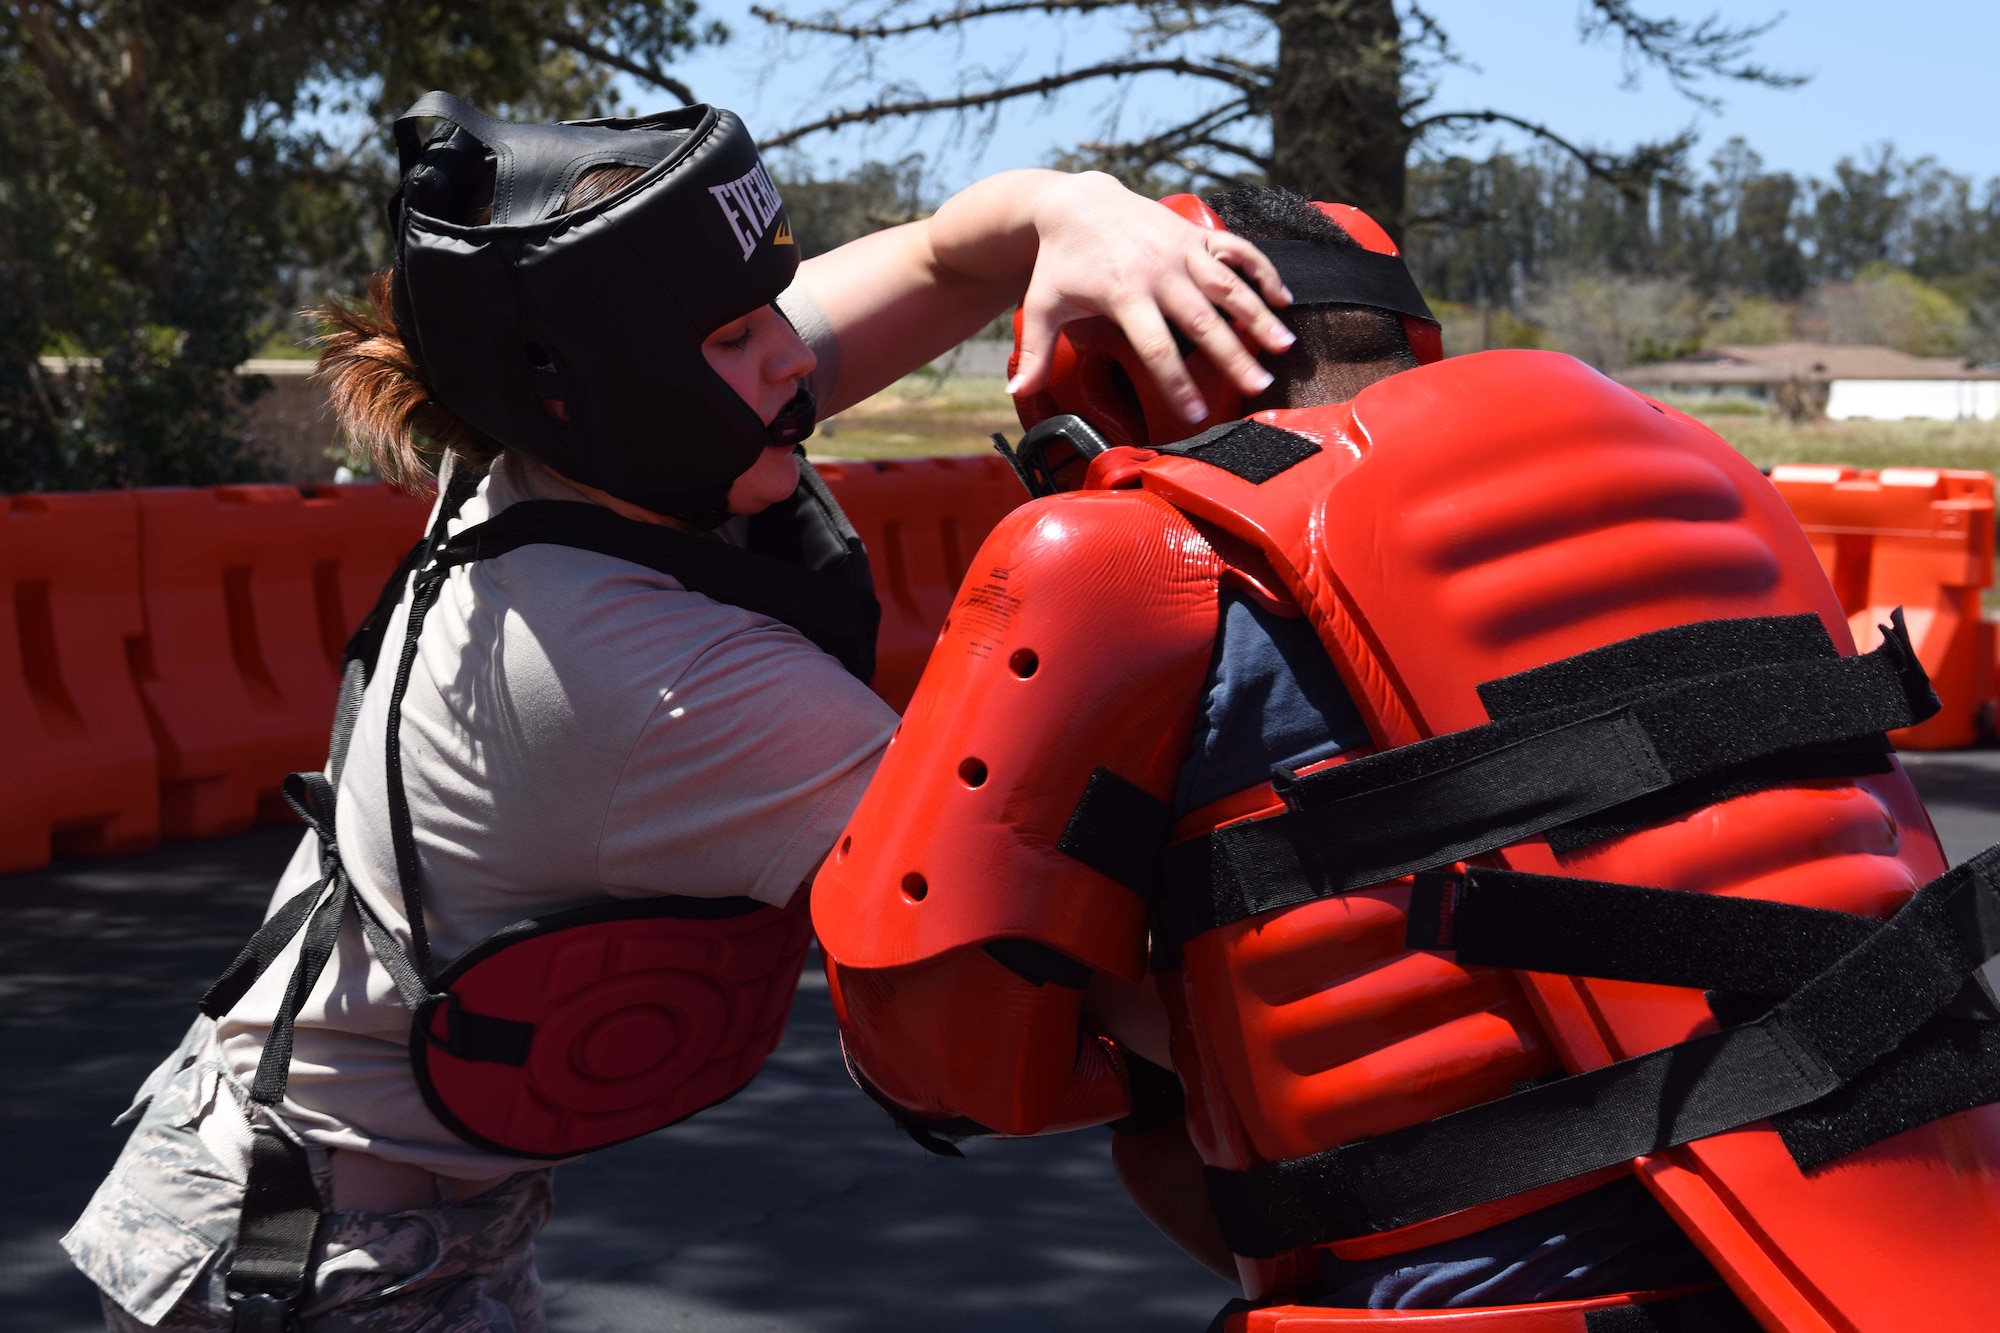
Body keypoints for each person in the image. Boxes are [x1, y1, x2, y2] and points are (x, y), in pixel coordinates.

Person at [63, 92, 1295, 1333]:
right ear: (596, 382)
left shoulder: (559, 450)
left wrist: (1063, 206)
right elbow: (1073, 945)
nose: (792, 358)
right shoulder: (664, 681)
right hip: (307, 1260)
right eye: (733, 339)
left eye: (772, 307)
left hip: (339, 1190)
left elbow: (934, 256)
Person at [812, 186, 2000, 1329]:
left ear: (1105, 387)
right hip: (1906, 1257)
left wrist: (1169, 1025)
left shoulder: (1128, 561)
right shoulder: (1710, 493)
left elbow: (939, 1054)